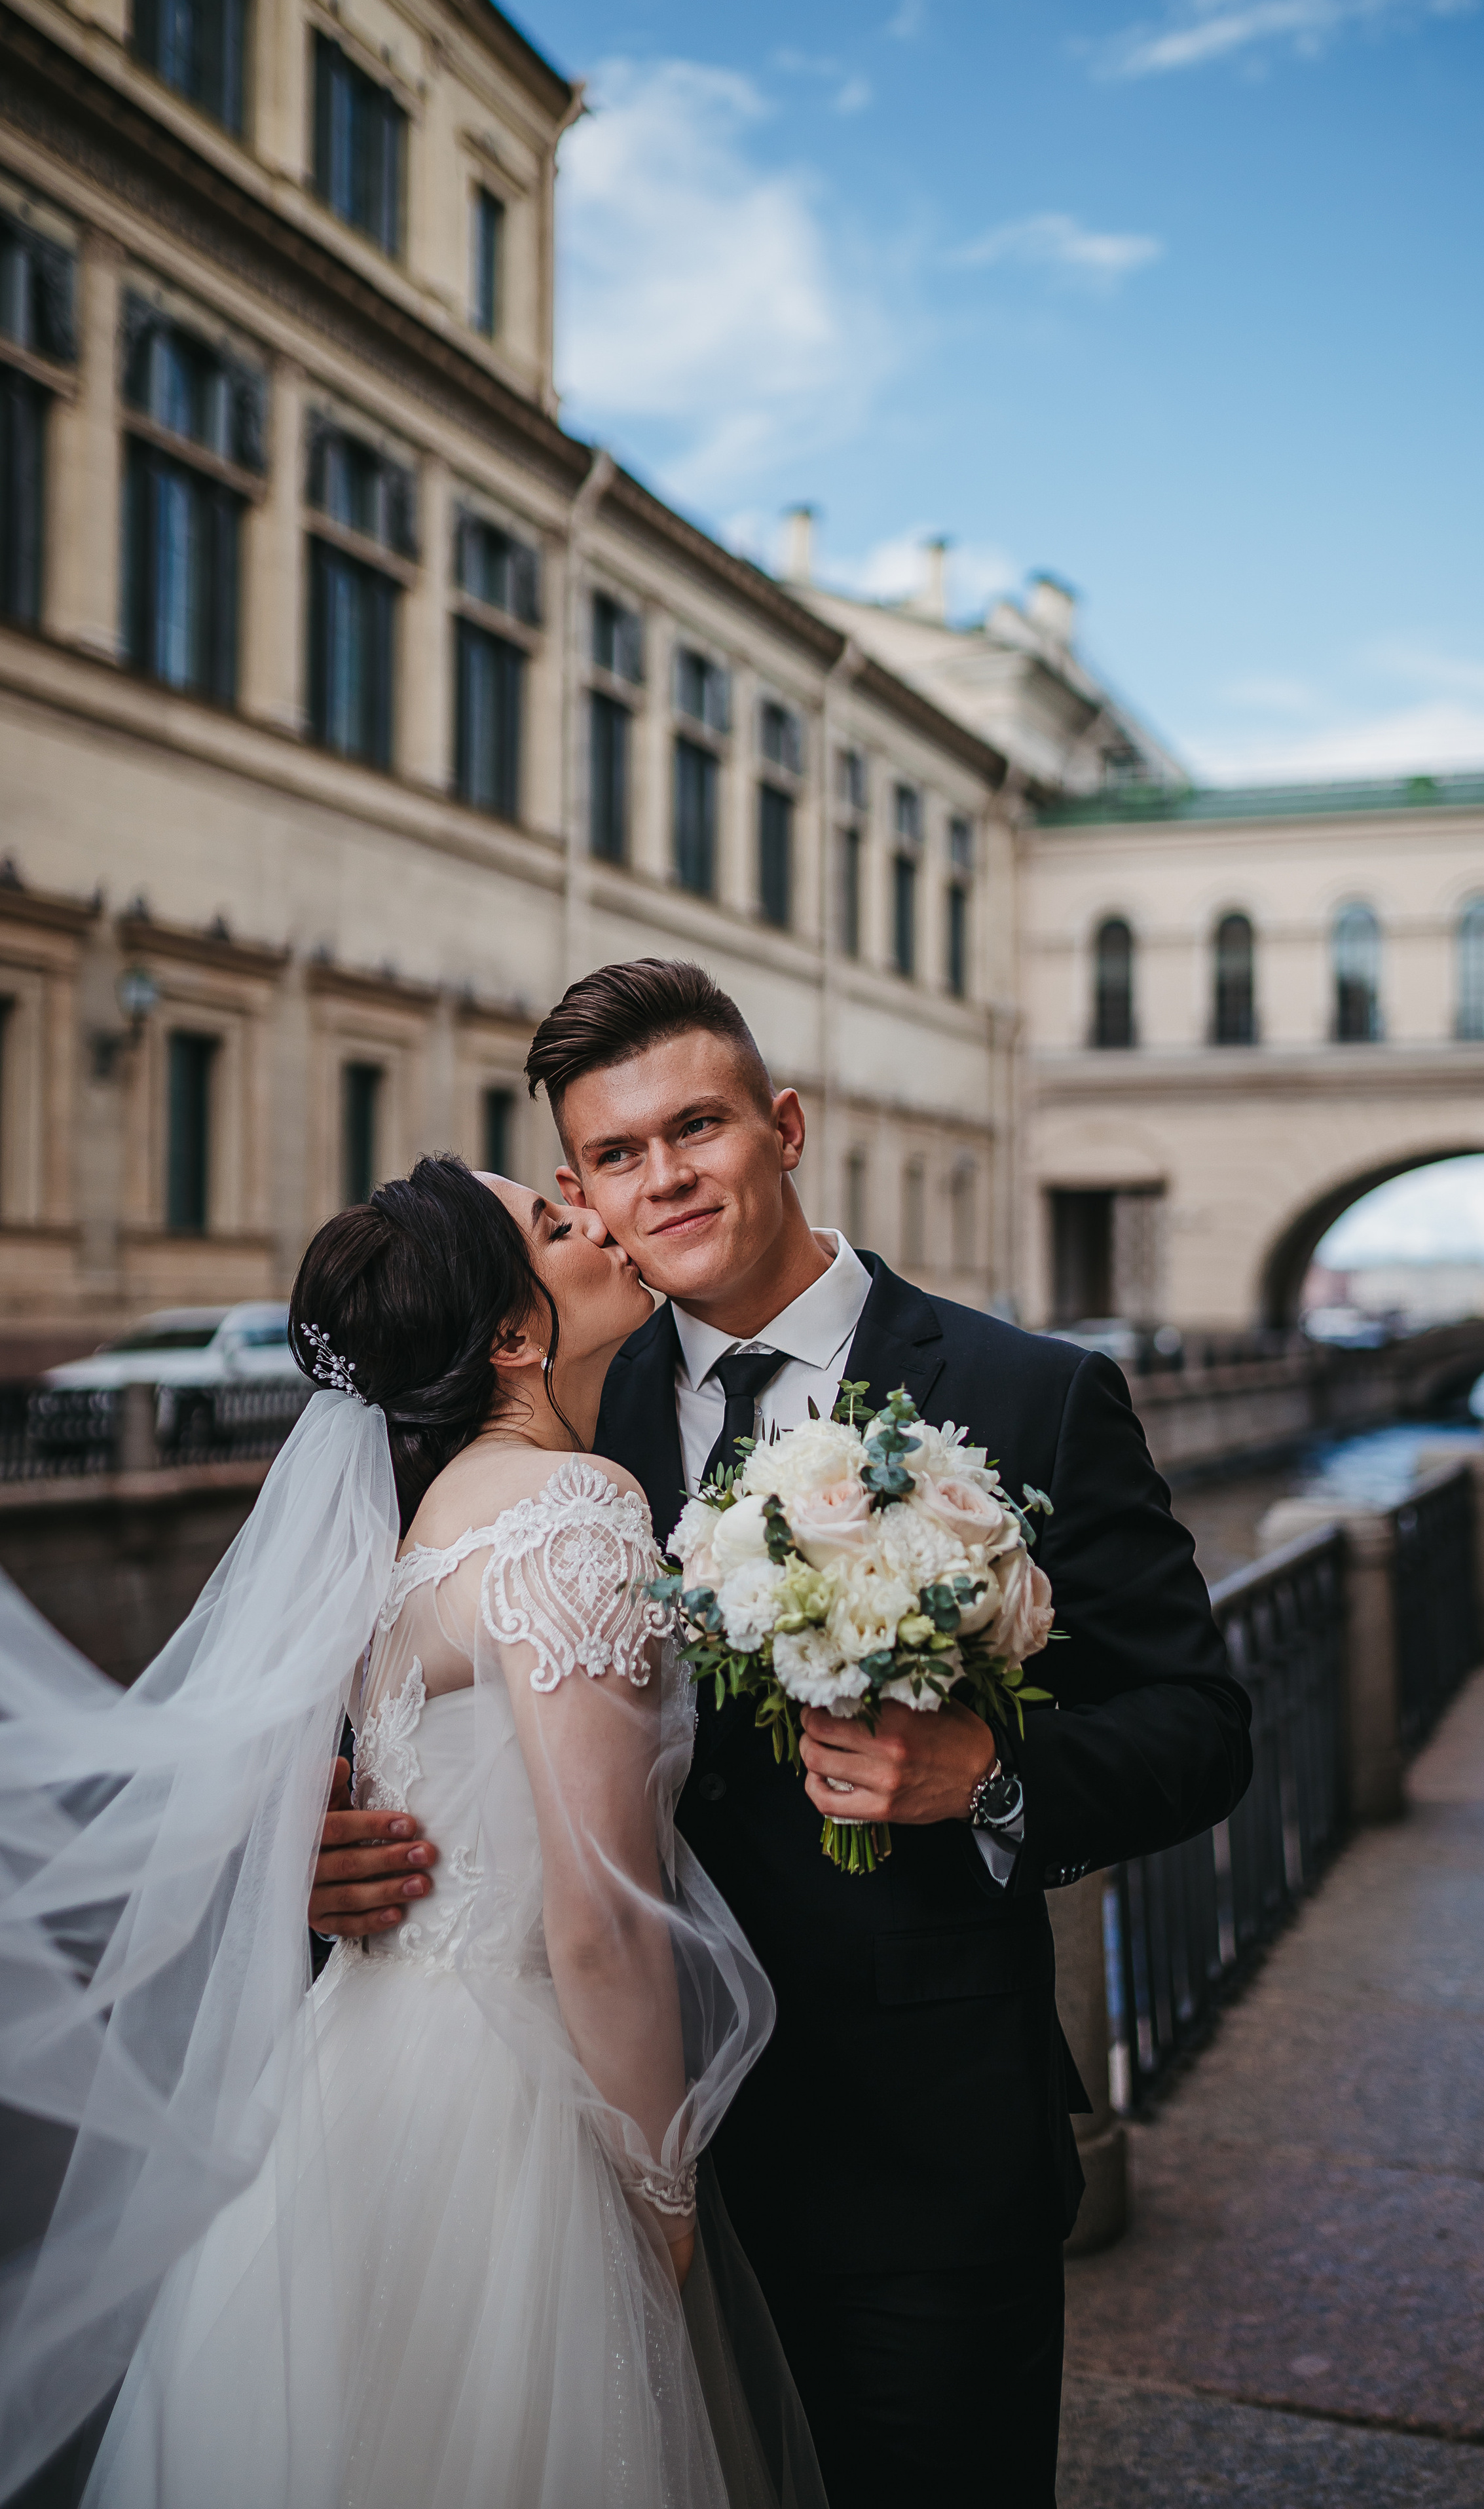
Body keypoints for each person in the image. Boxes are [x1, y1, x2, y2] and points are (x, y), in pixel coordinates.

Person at [309, 960, 1254, 2509]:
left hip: (917, 2159)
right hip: (599, 2156)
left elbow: (1199, 1727)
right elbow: (399, 1671)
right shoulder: (555, 1412)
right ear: (577, 1192)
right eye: (616, 1154)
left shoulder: (1028, 1392)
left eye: (698, 1127)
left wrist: (989, 1779)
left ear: (785, 1128)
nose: (664, 1178)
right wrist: (334, 1836)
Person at [0, 1153, 825, 2509]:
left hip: (359, 2073)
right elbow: (601, 1920)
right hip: (515, 2096)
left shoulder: (419, 1534)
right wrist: (662, 2200)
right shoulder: (573, 1510)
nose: (598, 1220)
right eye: (556, 1222)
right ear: (510, 1338)